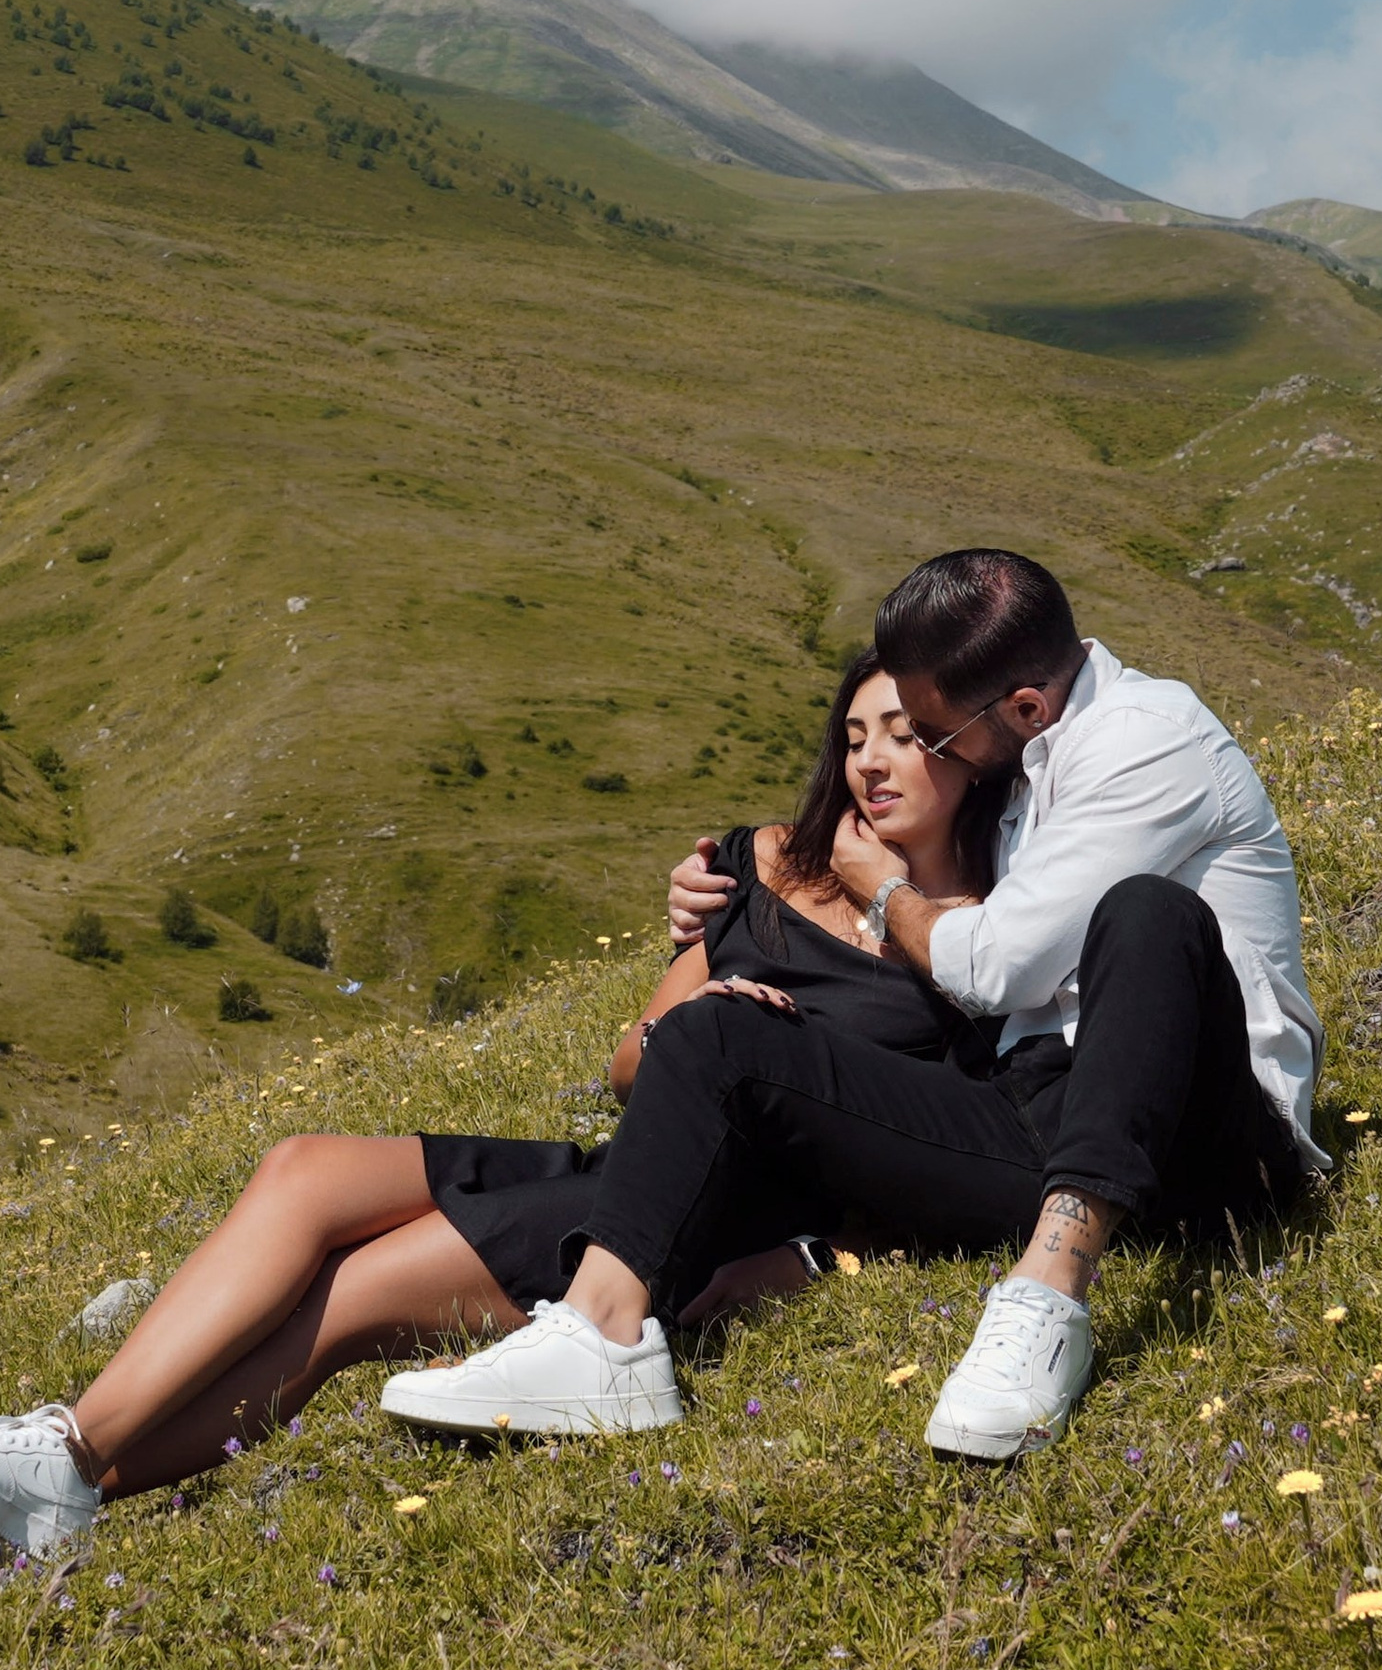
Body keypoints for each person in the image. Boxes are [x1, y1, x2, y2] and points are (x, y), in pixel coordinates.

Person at [0, 655, 1007, 1581]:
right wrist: (706, 997)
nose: (871, 761)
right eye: (854, 734)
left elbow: (934, 1146)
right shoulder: (760, 862)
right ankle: (45, 1469)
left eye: (903, 735)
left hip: (699, 1216)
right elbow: (637, 1060)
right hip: (633, 1158)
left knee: (354, 1299)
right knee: (305, 1168)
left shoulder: (985, 937)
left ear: (968, 750)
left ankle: (47, 1483)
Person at [388, 547, 1323, 1467]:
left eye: (934, 735)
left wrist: (880, 890)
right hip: (1032, 1110)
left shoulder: (1148, 743)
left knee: (1147, 913)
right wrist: (727, 888)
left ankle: (1047, 1299)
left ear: (1025, 708)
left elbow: (995, 967)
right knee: (718, 1031)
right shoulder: (1022, 762)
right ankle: (602, 1341)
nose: (909, 753)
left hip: (1203, 1135)